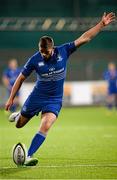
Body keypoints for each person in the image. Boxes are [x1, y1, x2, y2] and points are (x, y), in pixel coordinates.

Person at [5, 12, 116, 166]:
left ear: (53, 48)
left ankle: (29, 155)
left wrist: (101, 24)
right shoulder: (34, 60)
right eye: (41, 51)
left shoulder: (64, 51)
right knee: (19, 125)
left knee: (46, 124)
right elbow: (21, 78)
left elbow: (85, 37)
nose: (43, 54)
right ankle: (19, 116)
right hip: (37, 96)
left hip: (54, 99)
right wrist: (11, 98)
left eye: (46, 52)